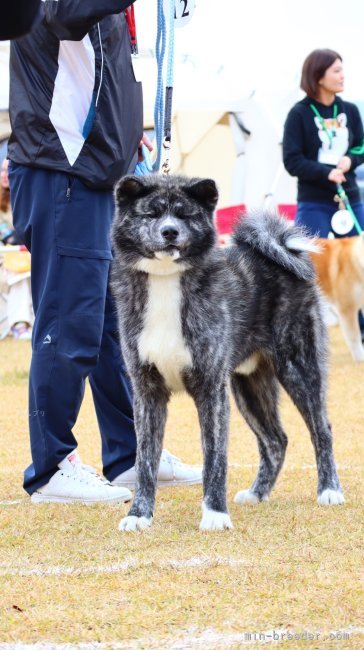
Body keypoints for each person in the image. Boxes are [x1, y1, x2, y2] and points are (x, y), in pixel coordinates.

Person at [8, 0, 202, 504]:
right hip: (62, 169)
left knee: (114, 329)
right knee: (70, 320)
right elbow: (56, 15)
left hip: (102, 178)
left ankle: (133, 455)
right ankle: (51, 467)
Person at [283, 48, 364, 238]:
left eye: (342, 70)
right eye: (336, 71)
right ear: (318, 77)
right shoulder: (299, 113)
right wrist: (327, 173)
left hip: (349, 198)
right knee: (308, 262)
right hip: (314, 201)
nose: (343, 76)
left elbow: (361, 145)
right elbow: (292, 160)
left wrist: (350, 160)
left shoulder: (350, 110)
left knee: (357, 261)